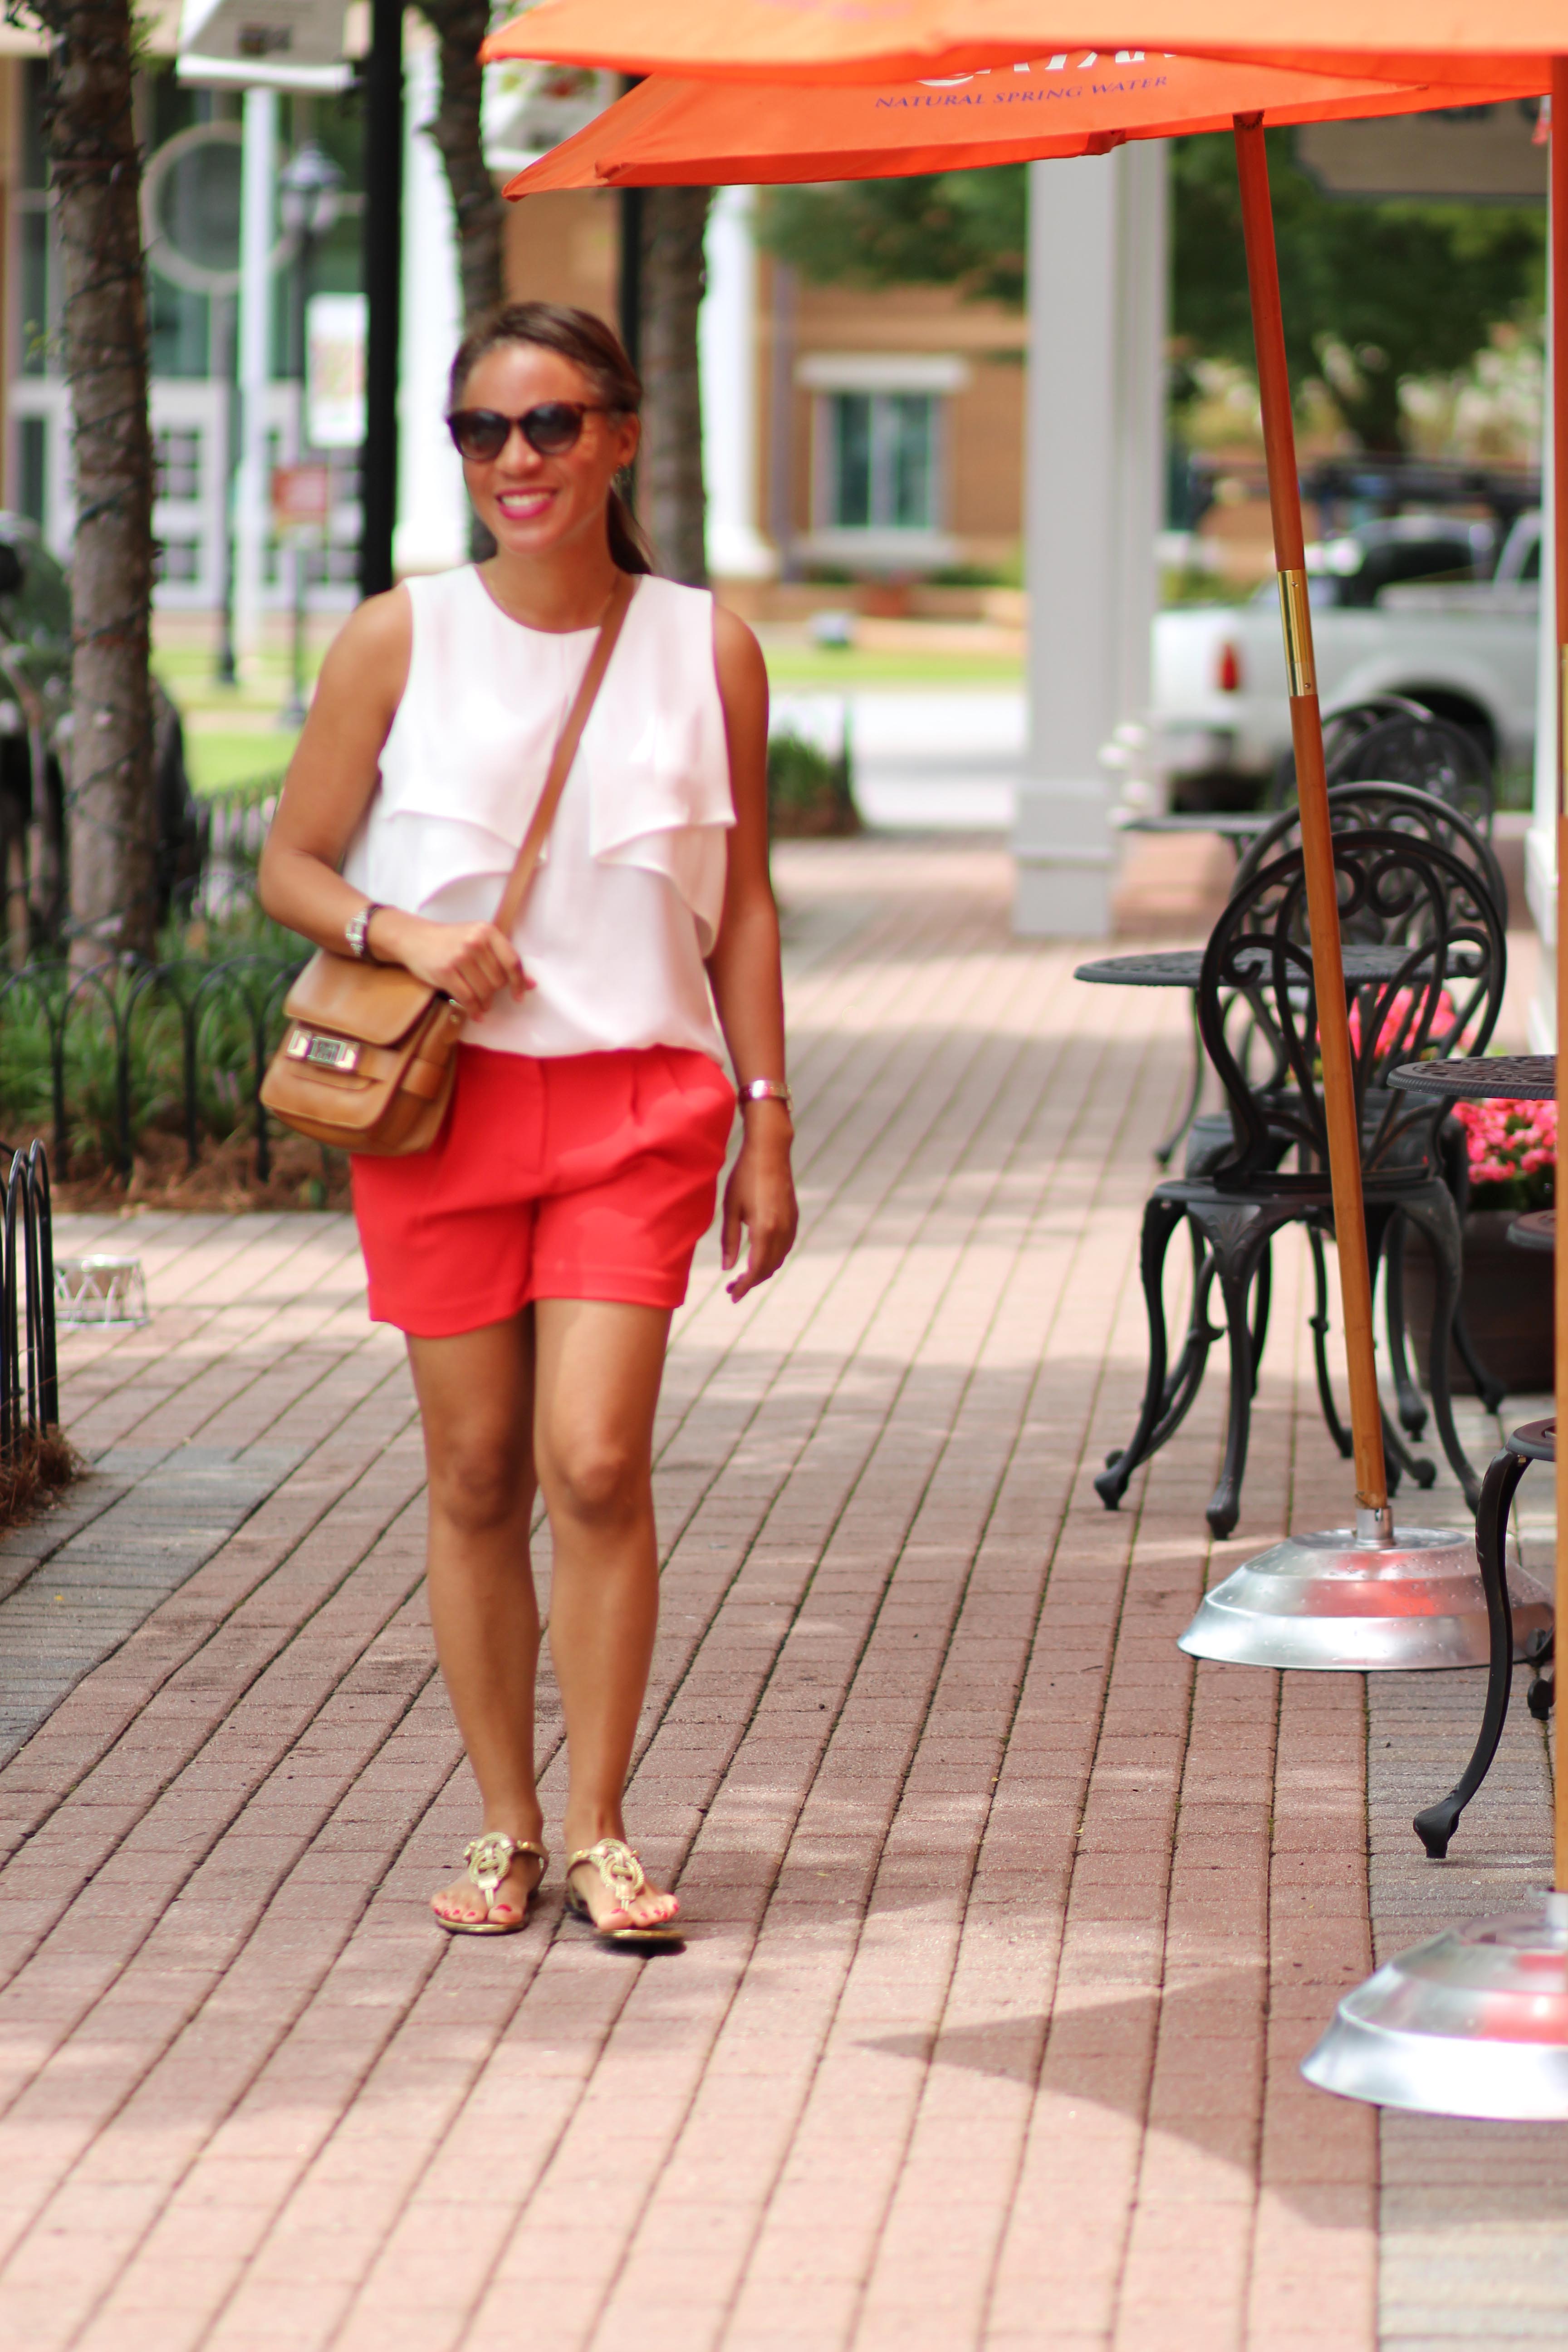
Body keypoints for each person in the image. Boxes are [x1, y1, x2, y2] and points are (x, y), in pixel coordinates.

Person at [259, 302, 797, 1945]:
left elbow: (744, 905)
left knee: (596, 1457)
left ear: (620, 437)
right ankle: (503, 1824)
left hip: (641, 1101)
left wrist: (768, 1121)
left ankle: (602, 1829)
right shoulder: (399, 637)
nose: (519, 459)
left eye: (552, 424)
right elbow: (291, 864)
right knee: (479, 1467)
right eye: (484, 431)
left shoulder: (705, 646)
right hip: (442, 1108)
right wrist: (403, 934)